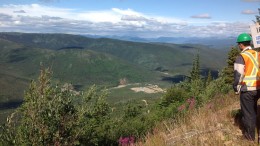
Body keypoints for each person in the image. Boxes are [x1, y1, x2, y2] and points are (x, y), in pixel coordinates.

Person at [233, 33, 260, 141]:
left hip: (248, 89)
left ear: (240, 45)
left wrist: (236, 88)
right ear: (249, 43)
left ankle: (249, 137)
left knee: (248, 114)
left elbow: (238, 75)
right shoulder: (257, 54)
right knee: (253, 110)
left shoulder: (242, 56)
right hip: (258, 87)